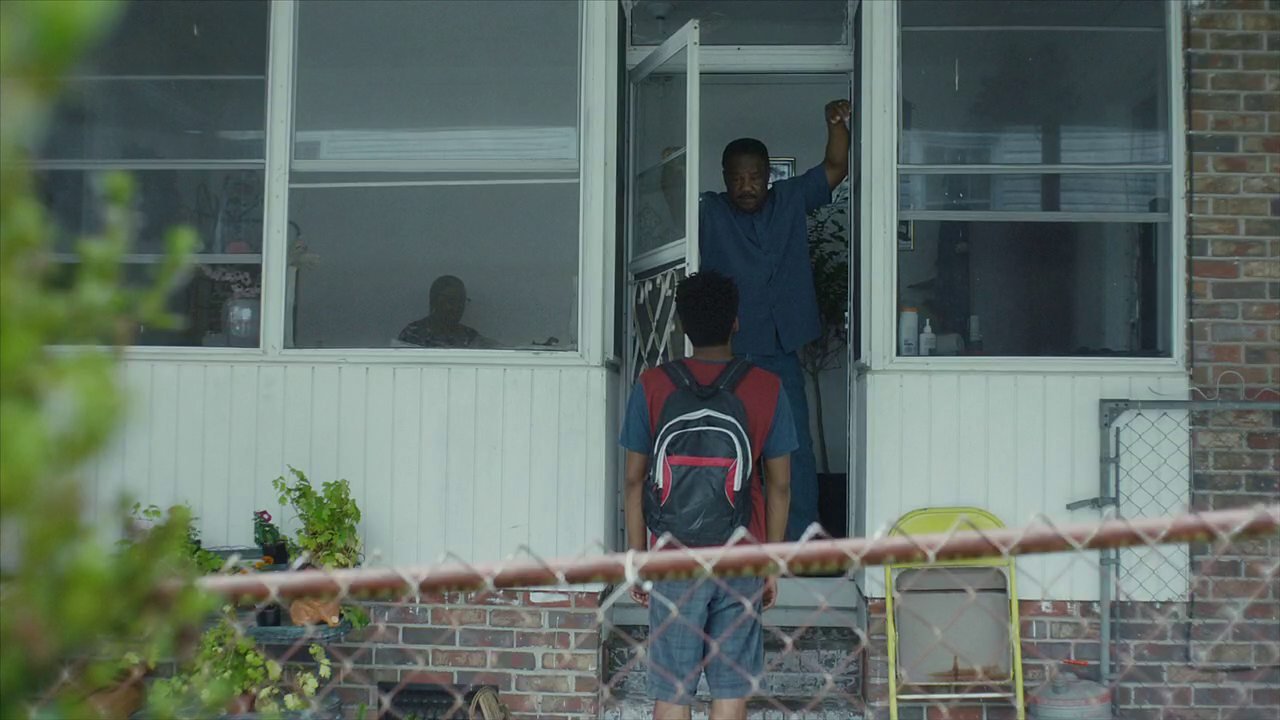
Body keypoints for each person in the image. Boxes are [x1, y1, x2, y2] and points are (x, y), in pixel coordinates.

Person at [619, 271, 795, 719]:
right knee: (731, 689)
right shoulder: (767, 387)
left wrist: (638, 557)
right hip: (741, 555)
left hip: (673, 556)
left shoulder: (651, 385)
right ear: (736, 322)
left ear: (681, 324)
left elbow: (634, 481)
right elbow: (779, 485)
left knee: (673, 691)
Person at [699, 99, 852, 541]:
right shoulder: (710, 211)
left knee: (792, 446)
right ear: (724, 178)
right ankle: (731, 537)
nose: (746, 186)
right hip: (727, 355)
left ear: (769, 176)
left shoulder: (790, 199)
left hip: (781, 351)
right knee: (729, 446)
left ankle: (800, 538)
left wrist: (836, 124)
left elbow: (836, 167)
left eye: (754, 177)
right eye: (737, 178)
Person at [398, 275, 493, 348]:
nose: (456, 307)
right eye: (450, 301)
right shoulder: (413, 333)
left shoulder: (470, 337)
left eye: (461, 301)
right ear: (434, 301)